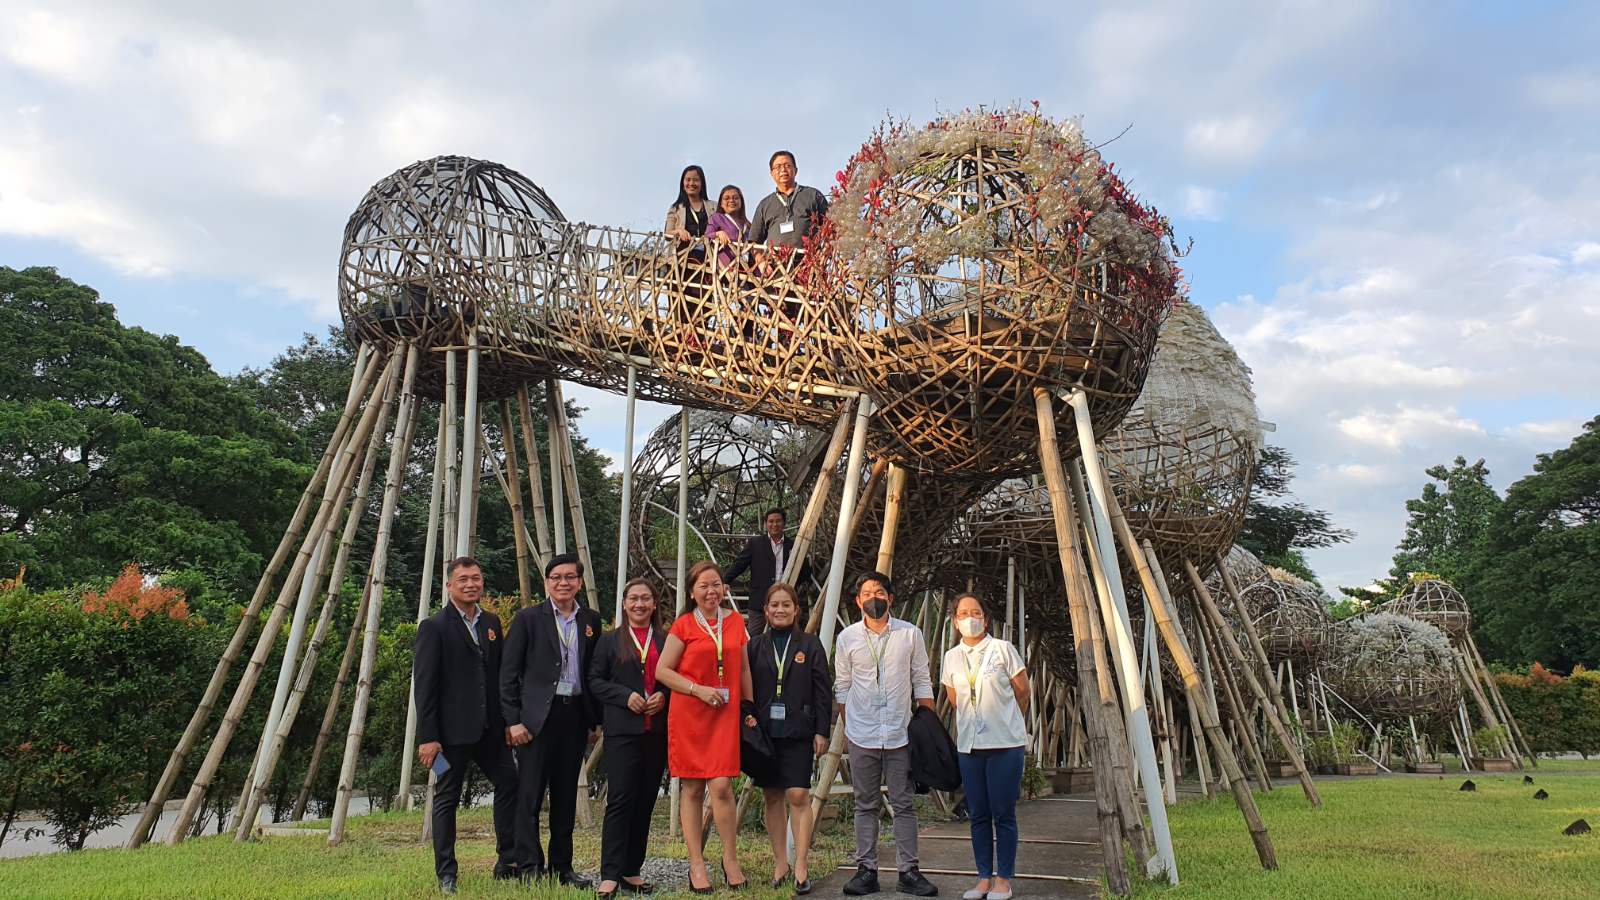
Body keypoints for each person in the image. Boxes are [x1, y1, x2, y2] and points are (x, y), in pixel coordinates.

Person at [413, 556, 520, 894]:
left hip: (490, 731)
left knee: (511, 782)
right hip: (447, 738)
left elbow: (499, 676)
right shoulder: (433, 627)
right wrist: (428, 738)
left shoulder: (491, 623)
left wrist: (509, 721)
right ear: (449, 586)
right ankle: (446, 873)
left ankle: (507, 861)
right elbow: (424, 687)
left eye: (476, 578)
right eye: (463, 579)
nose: (471, 584)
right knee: (446, 797)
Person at [834, 571, 939, 897]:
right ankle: (866, 871)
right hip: (862, 733)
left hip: (900, 733)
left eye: (879, 592)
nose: (873, 599)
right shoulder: (847, 638)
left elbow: (922, 680)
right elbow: (843, 686)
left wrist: (926, 726)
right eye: (866, 594)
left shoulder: (910, 634)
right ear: (858, 601)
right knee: (865, 804)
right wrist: (850, 725)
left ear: (890, 598)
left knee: (903, 804)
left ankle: (909, 872)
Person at [499, 553, 601, 888]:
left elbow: (593, 672)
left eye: (570, 577)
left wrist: (594, 720)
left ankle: (562, 867)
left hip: (574, 717)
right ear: (546, 583)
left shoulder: (590, 619)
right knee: (529, 796)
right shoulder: (528, 619)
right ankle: (530, 866)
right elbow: (508, 674)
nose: (563, 583)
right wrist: (513, 721)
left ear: (579, 582)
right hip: (536, 720)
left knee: (565, 797)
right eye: (556, 577)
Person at [654, 561, 752, 893]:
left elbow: (743, 670)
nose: (711, 591)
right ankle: (696, 863)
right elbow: (663, 671)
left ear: (724, 588)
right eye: (703, 586)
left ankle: (730, 858)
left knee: (722, 786)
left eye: (716, 584)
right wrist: (697, 690)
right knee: (693, 787)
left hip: (724, 714)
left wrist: (749, 707)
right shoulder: (683, 625)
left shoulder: (735, 621)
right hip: (691, 713)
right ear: (692, 592)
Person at [941, 594, 1030, 900]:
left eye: (976, 612)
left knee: (1003, 813)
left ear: (986, 619)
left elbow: (1023, 691)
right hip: (969, 746)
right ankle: (983, 878)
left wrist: (1006, 721)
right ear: (955, 621)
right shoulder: (951, 657)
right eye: (963, 613)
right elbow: (955, 700)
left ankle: (1003, 879)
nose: (970, 618)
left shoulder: (1002, 649)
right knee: (978, 814)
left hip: (1005, 744)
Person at [744, 583, 832, 894]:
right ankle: (780, 862)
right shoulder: (754, 646)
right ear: (766, 611)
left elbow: (823, 691)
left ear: (796, 610)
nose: (780, 610)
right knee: (772, 796)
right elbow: (746, 688)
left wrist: (822, 730)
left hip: (799, 731)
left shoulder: (810, 644)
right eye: (774, 605)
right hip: (765, 733)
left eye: (786, 605)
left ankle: (802, 864)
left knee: (798, 795)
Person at [589, 578, 672, 898]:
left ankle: (631, 870)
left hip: (656, 731)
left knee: (645, 800)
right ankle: (610, 874)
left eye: (645, 598)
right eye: (633, 599)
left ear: (654, 604)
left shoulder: (665, 640)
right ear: (624, 604)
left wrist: (664, 695)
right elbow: (595, 680)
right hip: (623, 731)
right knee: (621, 799)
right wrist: (624, 696)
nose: (639, 604)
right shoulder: (609, 640)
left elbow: (676, 678)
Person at [723, 507, 810, 636]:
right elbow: (739, 564)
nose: (774, 524)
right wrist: (724, 581)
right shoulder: (755, 544)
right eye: (771, 521)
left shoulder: (793, 545)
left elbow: (805, 571)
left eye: (778, 521)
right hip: (760, 601)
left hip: (786, 600)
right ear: (766, 524)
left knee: (787, 636)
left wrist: (794, 585)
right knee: (755, 637)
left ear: (784, 523)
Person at [748, 150, 829, 259]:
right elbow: (754, 242)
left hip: (809, 263)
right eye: (778, 167)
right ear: (772, 173)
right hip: (775, 266)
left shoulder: (813, 195)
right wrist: (762, 264)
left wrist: (822, 256)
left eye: (787, 165)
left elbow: (830, 228)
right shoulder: (765, 204)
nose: (783, 170)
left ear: (796, 170)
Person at [664, 164, 713, 259]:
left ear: (702, 183)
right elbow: (667, 234)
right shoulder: (675, 208)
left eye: (696, 180)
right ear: (683, 183)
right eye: (688, 180)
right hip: (682, 257)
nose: (691, 183)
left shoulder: (713, 207)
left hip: (708, 257)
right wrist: (678, 231)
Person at [706, 184, 751, 269]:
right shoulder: (717, 218)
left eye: (736, 198)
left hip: (748, 268)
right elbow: (706, 236)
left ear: (741, 202)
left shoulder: (747, 224)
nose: (731, 201)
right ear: (721, 204)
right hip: (726, 269)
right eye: (726, 198)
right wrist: (718, 233)